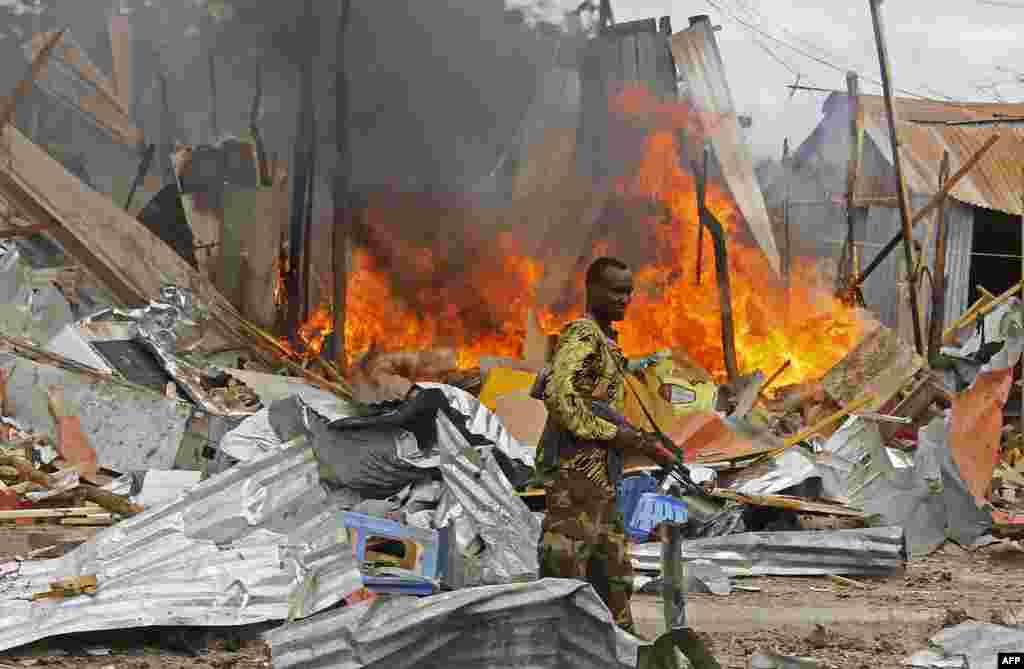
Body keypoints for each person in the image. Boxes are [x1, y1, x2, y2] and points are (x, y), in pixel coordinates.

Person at [535, 256, 671, 635]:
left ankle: (622, 644)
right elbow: (560, 398)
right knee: (565, 567)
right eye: (615, 290)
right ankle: (558, 646)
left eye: (628, 292)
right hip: (577, 476)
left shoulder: (607, 341)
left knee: (612, 570)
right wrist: (615, 435)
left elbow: (606, 414)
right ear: (591, 289)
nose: (624, 299)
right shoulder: (583, 334)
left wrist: (641, 442)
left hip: (602, 479)